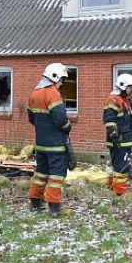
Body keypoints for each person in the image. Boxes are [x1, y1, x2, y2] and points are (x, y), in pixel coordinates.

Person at [27, 63, 77, 216]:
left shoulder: (34, 94)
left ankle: (35, 201)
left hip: (41, 144)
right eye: (61, 80)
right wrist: (68, 127)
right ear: (54, 77)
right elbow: (61, 119)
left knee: (41, 172)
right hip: (55, 145)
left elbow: (31, 118)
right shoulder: (52, 93)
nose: (61, 84)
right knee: (57, 175)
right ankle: (54, 207)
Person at [103, 73, 132, 195]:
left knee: (124, 166)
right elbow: (109, 120)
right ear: (123, 86)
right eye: (129, 87)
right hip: (118, 141)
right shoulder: (114, 100)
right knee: (120, 168)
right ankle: (119, 193)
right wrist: (114, 136)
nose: (131, 90)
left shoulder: (126, 100)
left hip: (127, 140)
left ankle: (113, 187)